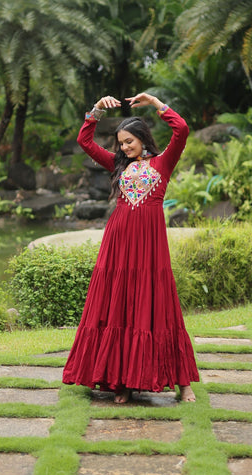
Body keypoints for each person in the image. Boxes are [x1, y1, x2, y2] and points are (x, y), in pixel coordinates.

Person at [62, 93, 199, 403]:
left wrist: (155, 102)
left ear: (141, 138)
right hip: (119, 242)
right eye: (120, 143)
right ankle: (120, 381)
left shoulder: (164, 161)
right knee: (119, 303)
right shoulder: (117, 163)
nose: (123, 147)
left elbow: (183, 129)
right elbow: (85, 142)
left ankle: (183, 382)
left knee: (159, 305)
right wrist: (95, 110)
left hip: (150, 245)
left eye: (128, 142)